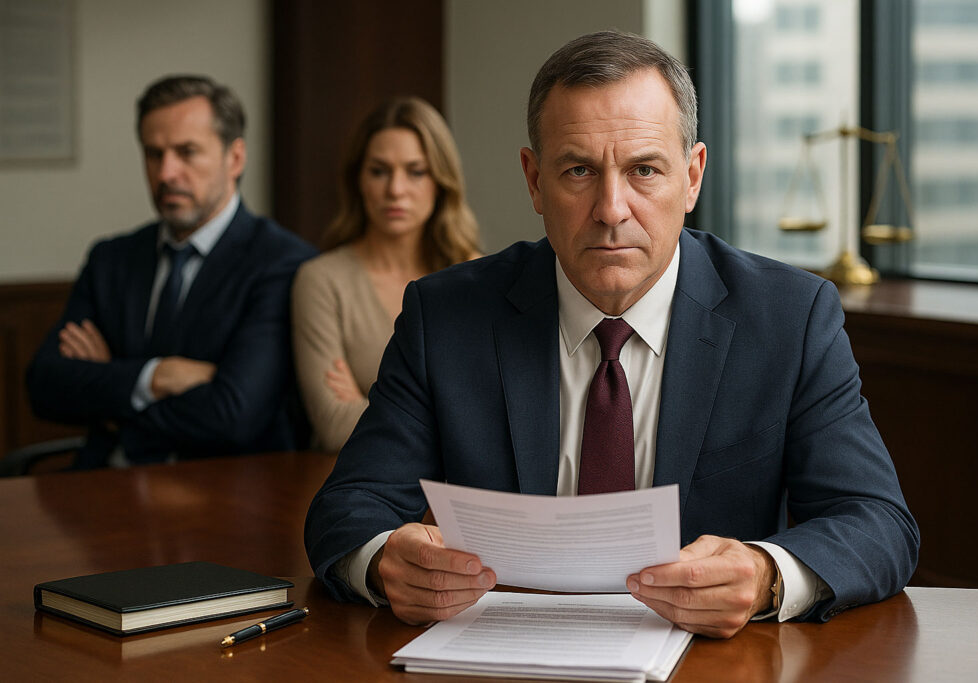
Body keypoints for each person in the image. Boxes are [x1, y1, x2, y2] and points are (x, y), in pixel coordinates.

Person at [304, 31, 919, 638]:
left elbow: (877, 521)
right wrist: (384, 563)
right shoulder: (445, 317)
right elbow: (347, 507)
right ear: (534, 180)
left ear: (693, 176)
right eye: (578, 170)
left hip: (709, 664)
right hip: (501, 655)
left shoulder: (789, 318)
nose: (611, 209)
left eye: (644, 170)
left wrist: (765, 575)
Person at [26, 75, 317, 468]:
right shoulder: (111, 259)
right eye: (153, 154)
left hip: (221, 489)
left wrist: (111, 397)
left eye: (186, 152)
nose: (166, 173)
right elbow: (44, 384)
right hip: (101, 480)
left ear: (235, 158)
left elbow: (233, 415)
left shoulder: (283, 263)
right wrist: (156, 376)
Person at [291, 97, 481, 453]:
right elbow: (334, 425)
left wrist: (371, 407)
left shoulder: (474, 277)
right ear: (358, 180)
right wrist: (447, 421)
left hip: (458, 487)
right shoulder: (322, 280)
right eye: (379, 171)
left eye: (416, 171)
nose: (395, 189)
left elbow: (492, 421)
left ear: (441, 181)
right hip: (357, 483)